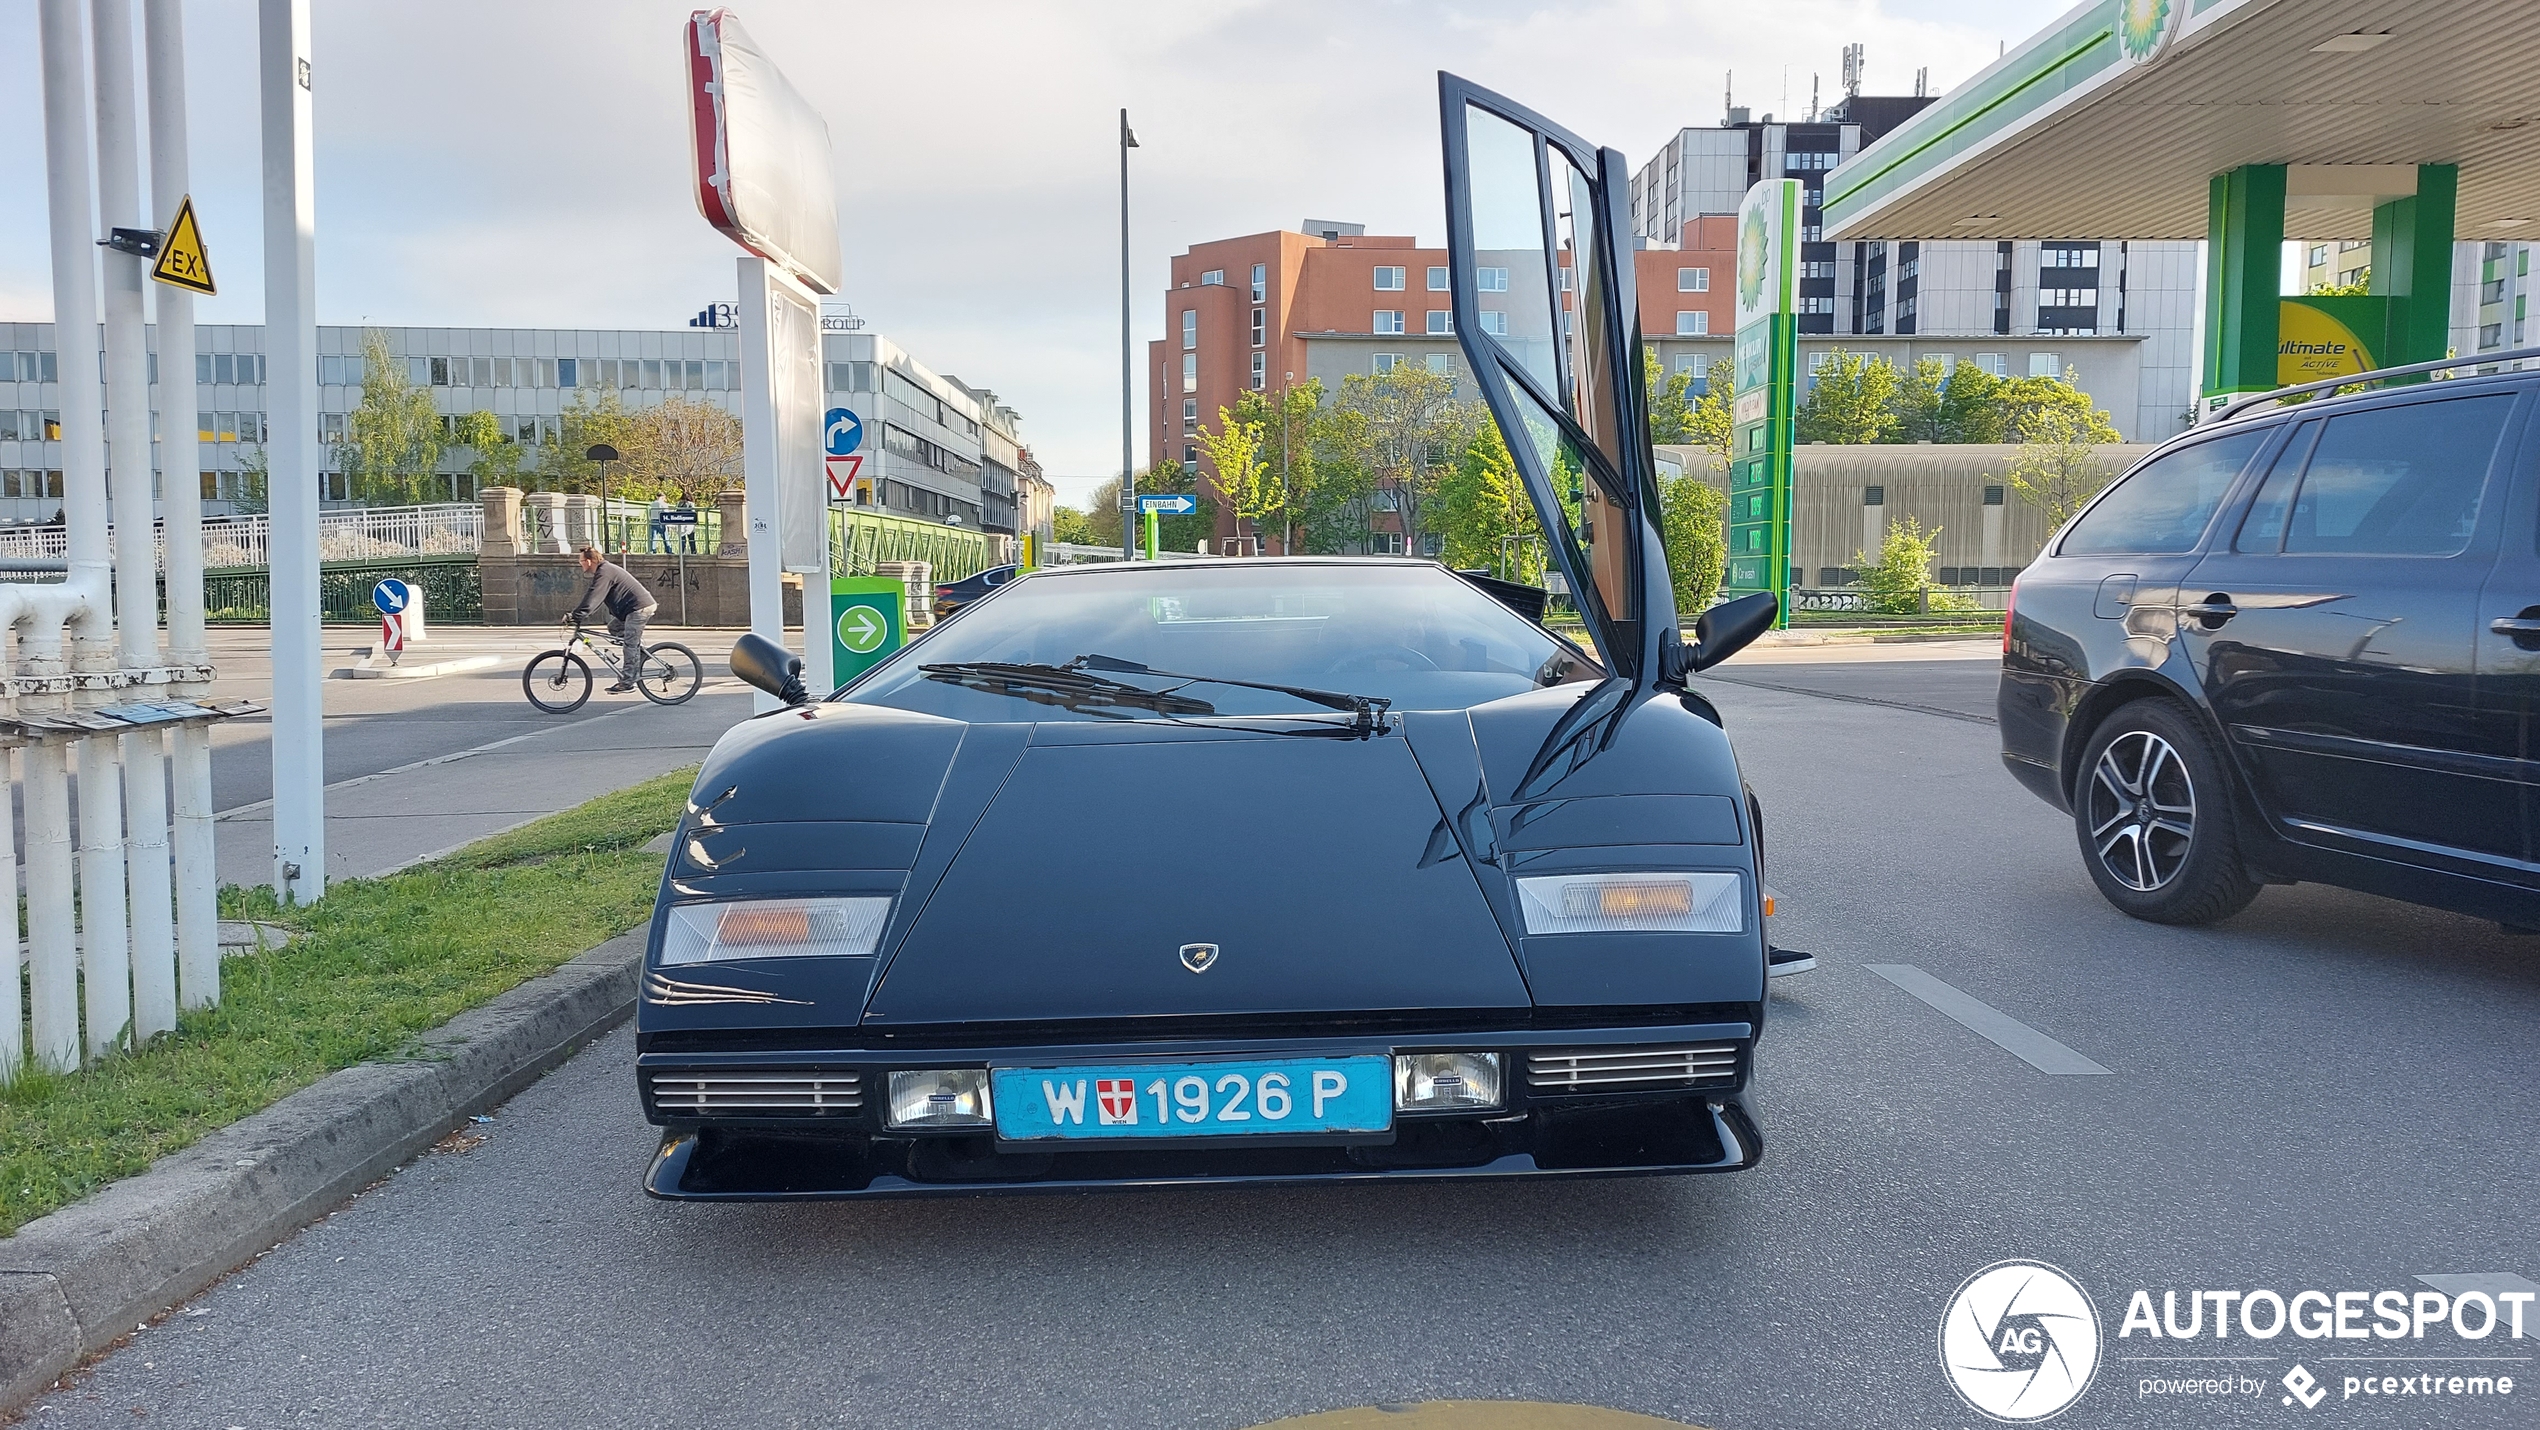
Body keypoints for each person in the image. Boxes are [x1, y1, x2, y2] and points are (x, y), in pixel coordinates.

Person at [567, 544, 658, 693]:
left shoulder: (605, 572)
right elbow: (596, 598)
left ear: (589, 561)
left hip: (639, 608)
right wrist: (580, 614)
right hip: (632, 608)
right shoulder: (603, 571)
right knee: (614, 628)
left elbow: (593, 596)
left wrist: (576, 615)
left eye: (581, 561)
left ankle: (627, 682)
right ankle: (638, 654)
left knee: (629, 643)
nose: (580, 564)